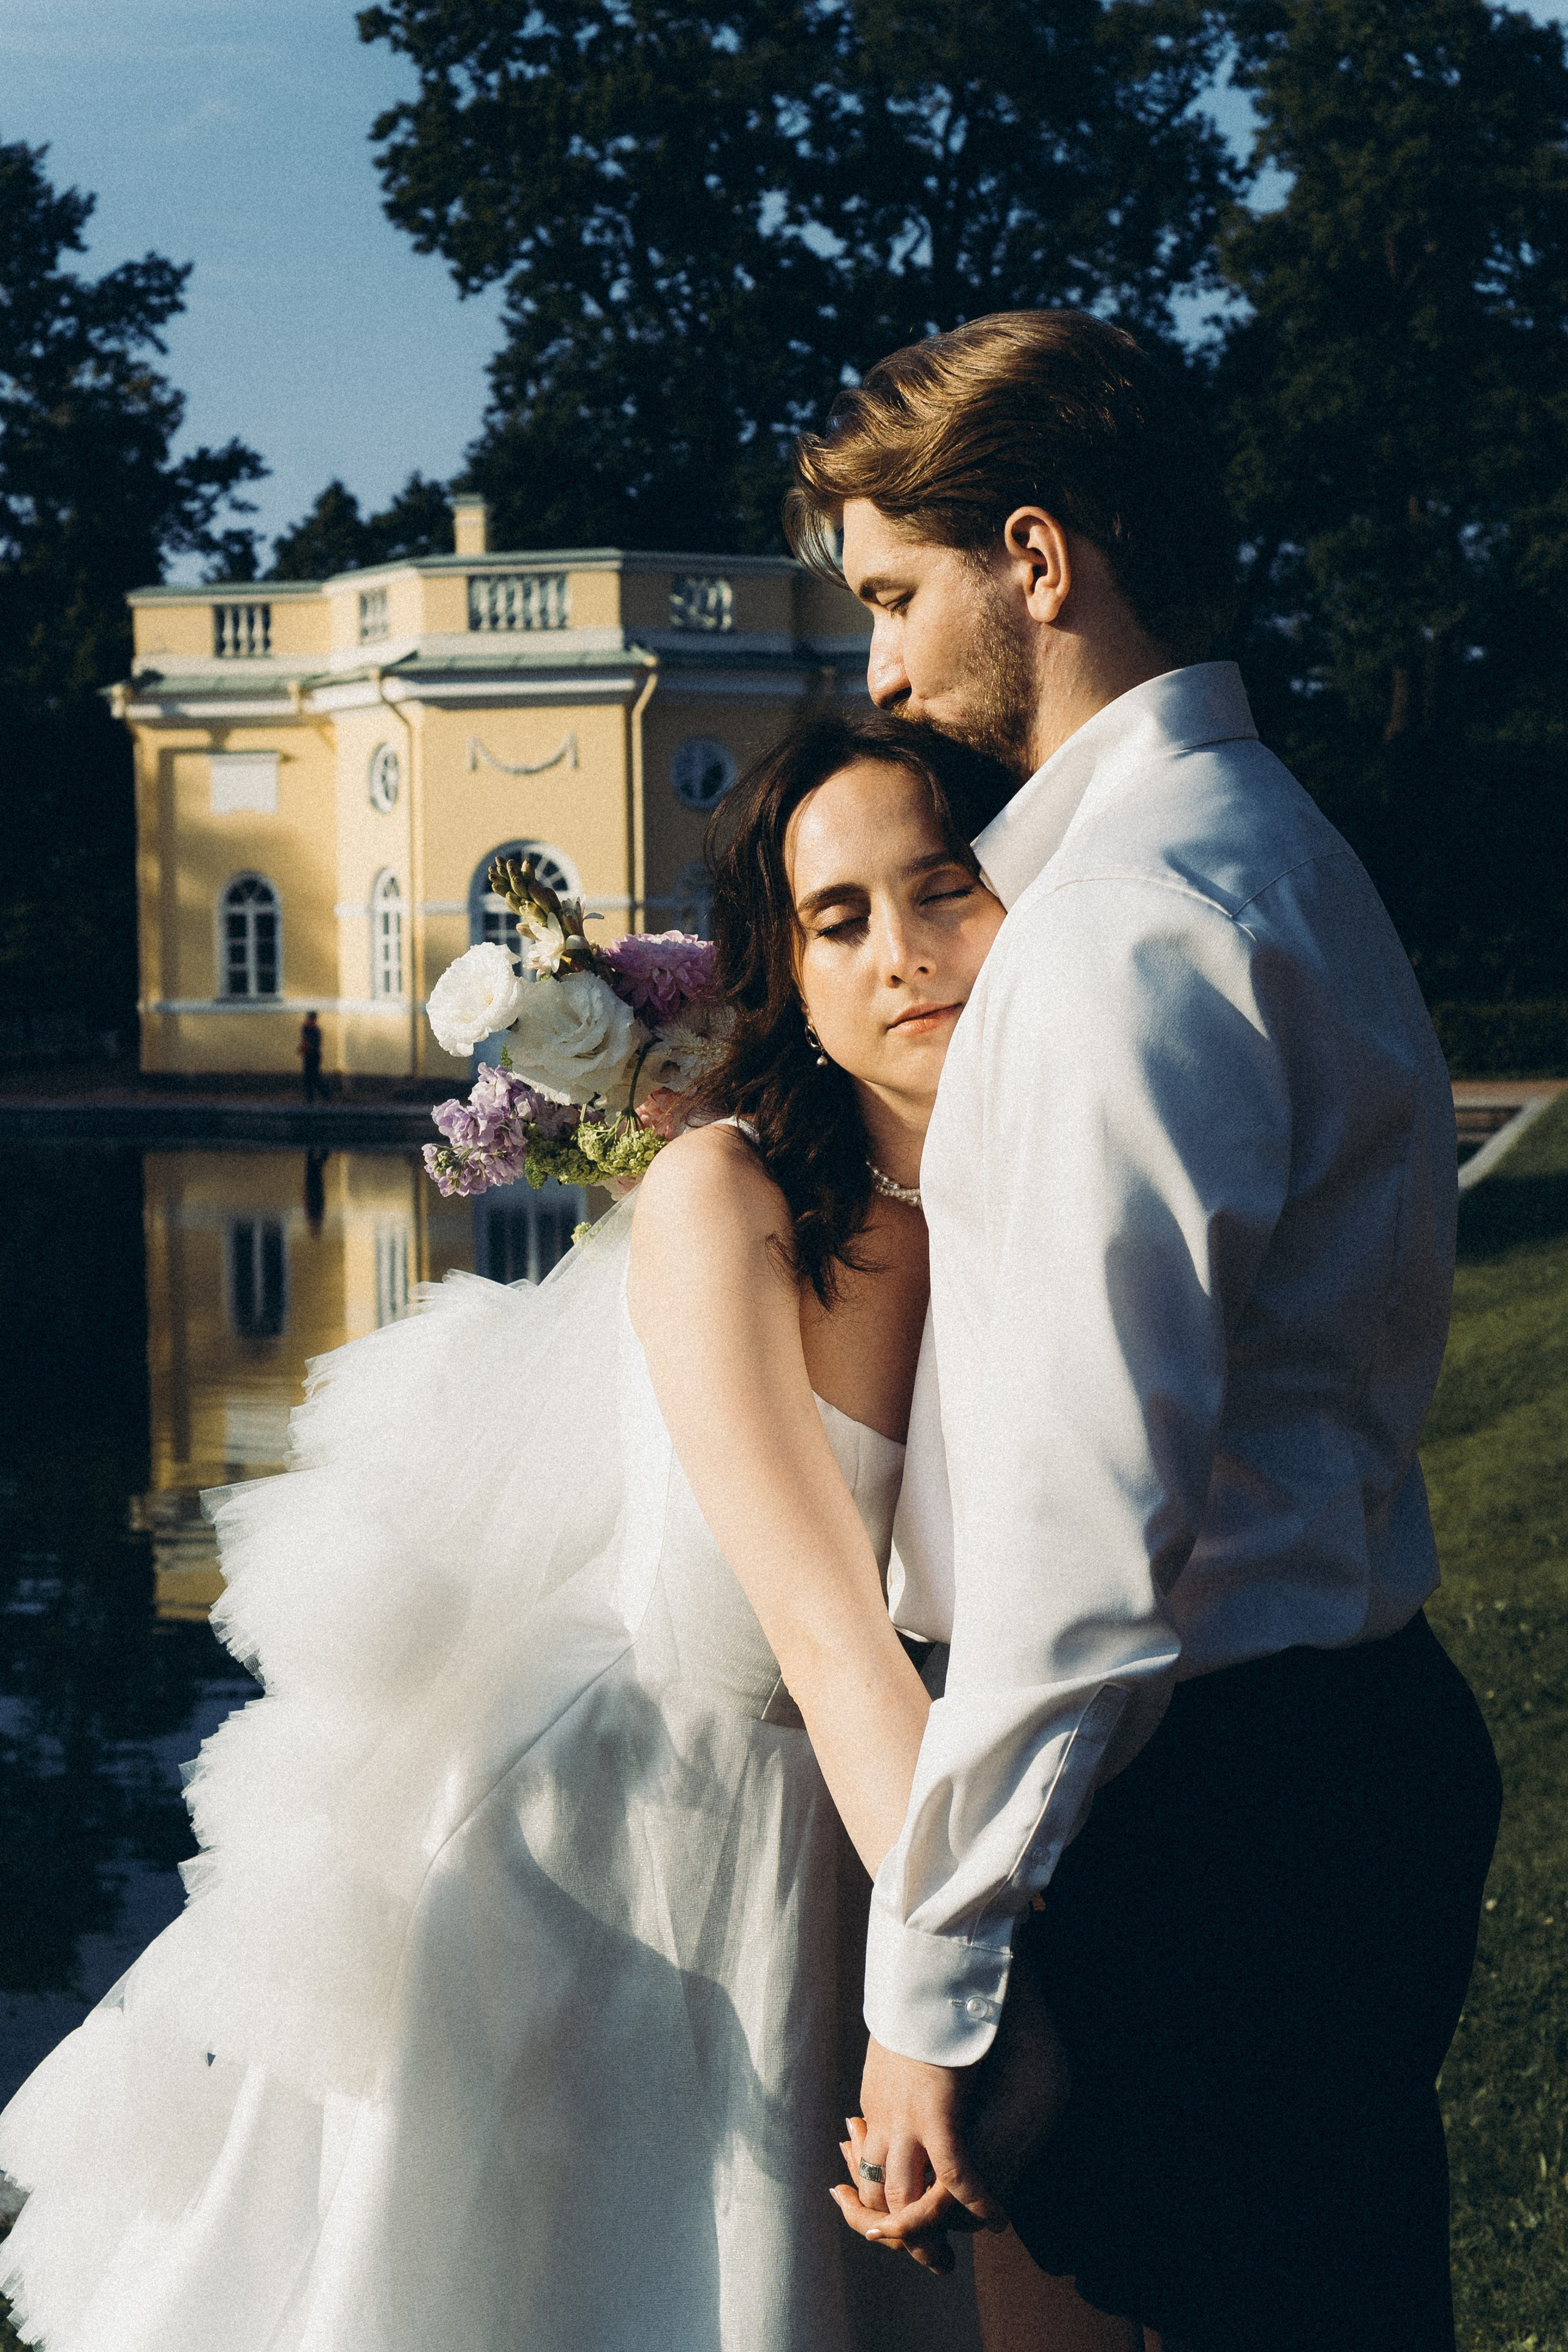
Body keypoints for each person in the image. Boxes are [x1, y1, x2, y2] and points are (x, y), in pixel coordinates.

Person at [0, 711, 1117, 2352]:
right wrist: (981, 1989)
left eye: (944, 890)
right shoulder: (722, 1196)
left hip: (851, 1828)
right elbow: (825, 1633)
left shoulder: (1034, 1189)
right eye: (838, 920)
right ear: (784, 978)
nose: (903, 956)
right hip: (620, 1856)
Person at [790, 311, 1502, 2351]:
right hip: (1326, 1752)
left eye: (899, 596)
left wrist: (930, 1991)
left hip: (1205, 1824)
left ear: (1038, 556)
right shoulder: (1276, 849)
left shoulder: (1122, 926)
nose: (883, 672)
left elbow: (1085, 1550)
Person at [297, 1008, 325, 1104]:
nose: (308, 1020)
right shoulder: (310, 1028)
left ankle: (323, 1094)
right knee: (311, 1077)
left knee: (312, 1077)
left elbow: (310, 1043)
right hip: (311, 1055)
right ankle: (312, 1098)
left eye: (310, 1018)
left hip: (312, 1055)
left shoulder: (312, 1029)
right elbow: (306, 1041)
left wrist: (303, 1048)